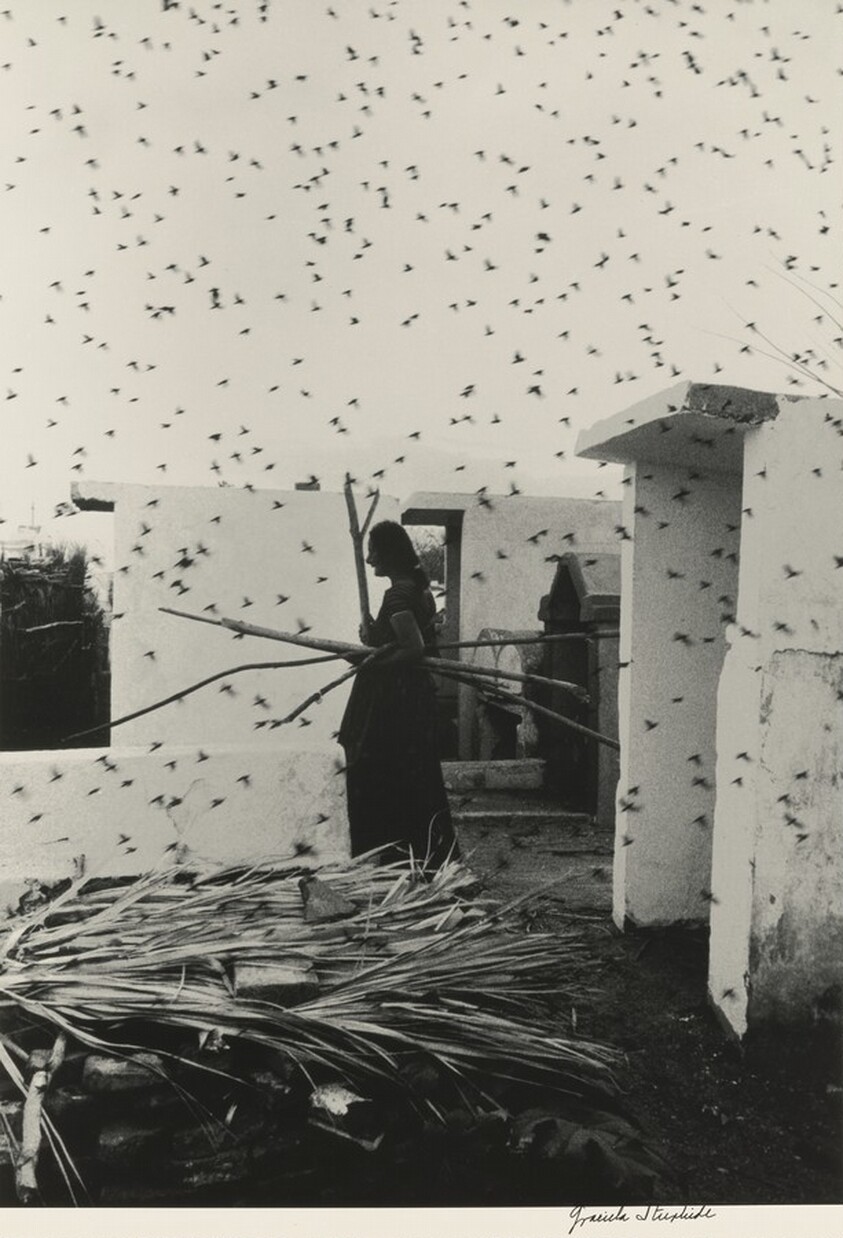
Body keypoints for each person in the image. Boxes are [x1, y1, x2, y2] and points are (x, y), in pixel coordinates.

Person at [338, 521, 457, 868]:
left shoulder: (398, 594)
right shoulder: (419, 590)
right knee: (412, 775)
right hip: (413, 698)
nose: (370, 559)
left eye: (374, 550)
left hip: (391, 702)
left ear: (389, 553)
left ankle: (385, 857)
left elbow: (413, 649)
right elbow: (405, 640)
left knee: (372, 772)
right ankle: (419, 856)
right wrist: (372, 637)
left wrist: (367, 659)